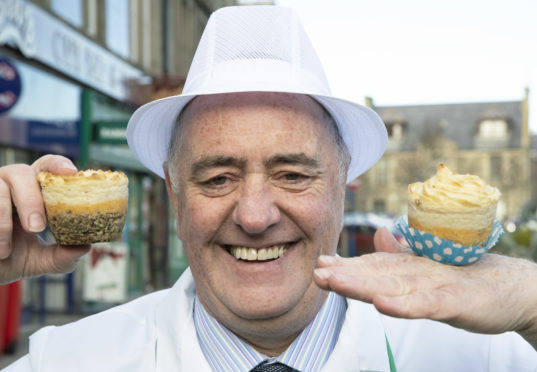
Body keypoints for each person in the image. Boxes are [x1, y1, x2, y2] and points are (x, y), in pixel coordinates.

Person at [1, 5, 537, 372]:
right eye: (218, 178)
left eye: (292, 174)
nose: (255, 216)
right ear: (173, 192)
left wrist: (532, 304)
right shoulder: (69, 360)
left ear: (341, 185)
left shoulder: (479, 355)